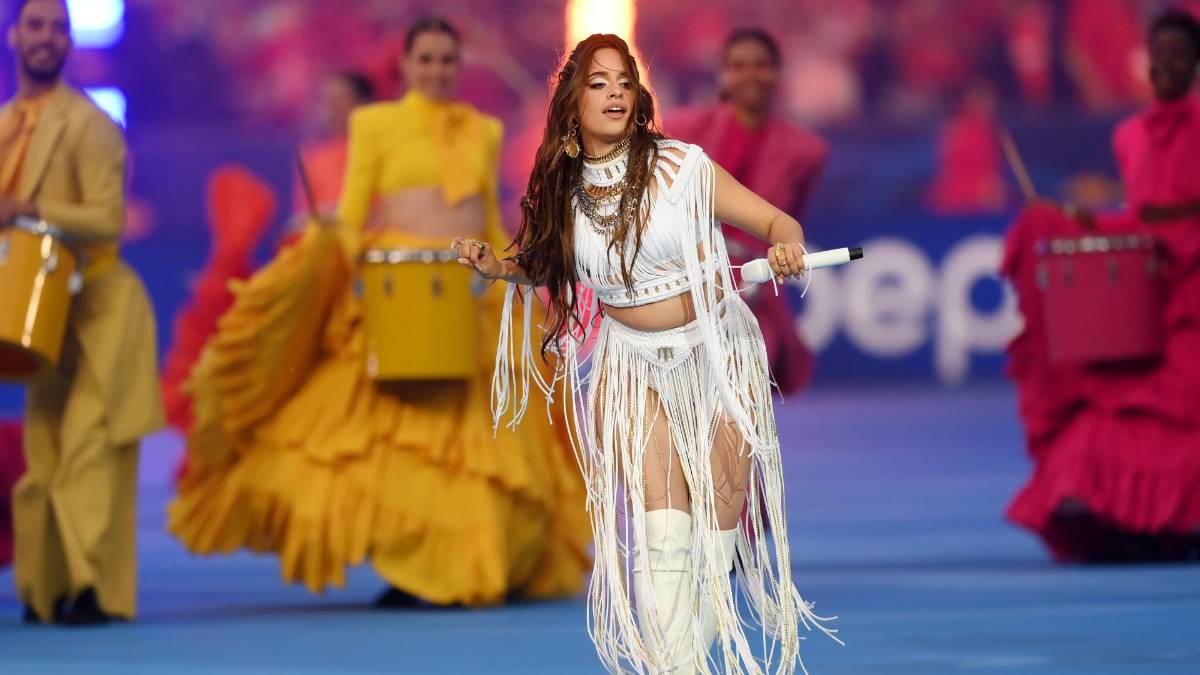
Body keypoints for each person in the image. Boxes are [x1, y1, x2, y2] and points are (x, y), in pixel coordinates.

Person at [168, 17, 591, 607]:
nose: (438, 71)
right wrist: (322, 262)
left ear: (458, 64)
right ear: (407, 66)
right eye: (426, 60)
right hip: (400, 292)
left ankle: (474, 561)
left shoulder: (483, 129)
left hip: (474, 297)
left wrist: (517, 282)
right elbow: (354, 210)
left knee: (490, 437)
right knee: (392, 437)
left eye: (447, 60)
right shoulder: (375, 124)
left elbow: (489, 222)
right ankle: (415, 565)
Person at [453, 33, 838, 674]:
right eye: (598, 83)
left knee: (716, 540)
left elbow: (777, 224)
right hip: (633, 364)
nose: (614, 94)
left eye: (623, 82)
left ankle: (673, 663)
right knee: (664, 537)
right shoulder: (562, 188)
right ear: (572, 102)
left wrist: (789, 245)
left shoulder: (683, 166)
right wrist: (497, 266)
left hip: (718, 353)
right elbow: (538, 262)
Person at [1005, 9, 1200, 562]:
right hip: (1147, 295)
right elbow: (1140, 217)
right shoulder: (1129, 134)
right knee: (1113, 404)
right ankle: (1134, 522)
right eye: (1157, 54)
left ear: (1195, 64)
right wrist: (1071, 217)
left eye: (1178, 55)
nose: (1165, 65)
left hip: (1195, 292)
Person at [1, 0, 163, 624]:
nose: (47, 38)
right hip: (37, 312)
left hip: (102, 307)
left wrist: (26, 207)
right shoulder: (4, 124)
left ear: (69, 41)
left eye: (59, 28)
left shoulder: (92, 124)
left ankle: (96, 590)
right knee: (43, 454)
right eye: (36, 25)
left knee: (89, 450)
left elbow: (109, 220)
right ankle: (46, 590)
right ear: (15, 35)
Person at [667, 28, 827, 394]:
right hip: (689, 287)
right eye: (738, 66)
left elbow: (789, 221)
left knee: (747, 390)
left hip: (757, 290)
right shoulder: (680, 130)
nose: (750, 75)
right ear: (723, 73)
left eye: (761, 65)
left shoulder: (807, 151)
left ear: (778, 72)